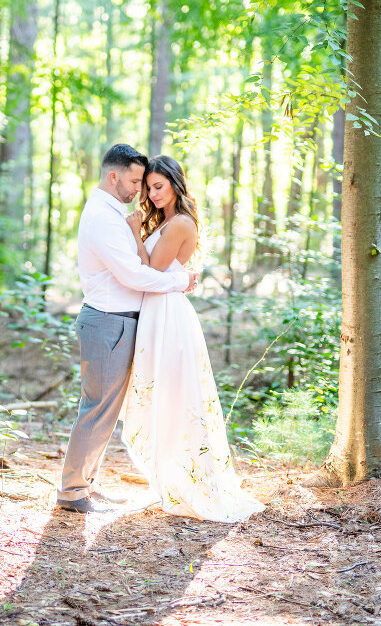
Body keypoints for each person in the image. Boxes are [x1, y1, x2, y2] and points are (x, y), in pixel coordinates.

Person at [122, 155, 264, 522]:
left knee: (175, 395)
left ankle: (188, 483)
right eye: (148, 188)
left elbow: (147, 270)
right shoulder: (166, 221)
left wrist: (136, 233)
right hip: (158, 310)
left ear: (174, 183)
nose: (152, 194)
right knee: (160, 396)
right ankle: (168, 481)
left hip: (169, 314)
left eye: (159, 186)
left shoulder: (180, 222)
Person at [57, 145, 198, 514]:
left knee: (105, 409)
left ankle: (85, 483)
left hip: (118, 322)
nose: (140, 189)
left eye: (146, 182)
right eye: (136, 181)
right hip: (108, 321)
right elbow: (133, 273)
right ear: (113, 176)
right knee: (97, 409)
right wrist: (180, 281)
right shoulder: (104, 217)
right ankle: (72, 491)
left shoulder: (111, 212)